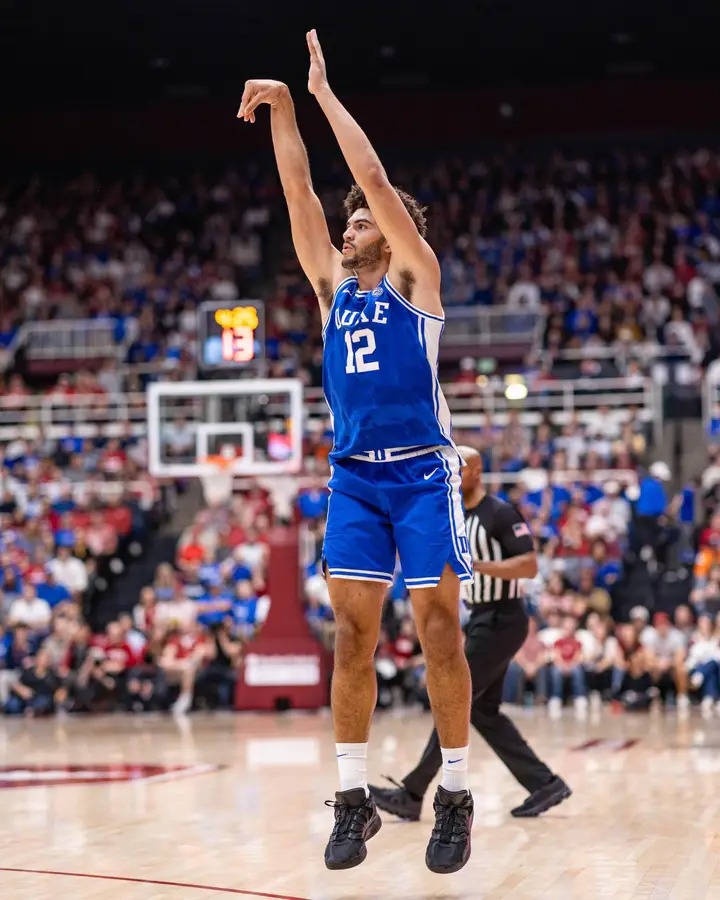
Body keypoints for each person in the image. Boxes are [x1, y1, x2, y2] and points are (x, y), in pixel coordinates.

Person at [238, 30, 474, 874]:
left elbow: (369, 175)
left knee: (438, 629)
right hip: (355, 482)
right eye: (350, 222)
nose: (351, 224)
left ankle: (455, 795)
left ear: (398, 232)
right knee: (351, 635)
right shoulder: (331, 288)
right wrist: (282, 110)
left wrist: (322, 92)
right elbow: (300, 190)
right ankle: (351, 799)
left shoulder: (415, 280)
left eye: (365, 220)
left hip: (422, 475)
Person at [369, 448, 571, 821]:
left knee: (453, 699)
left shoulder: (500, 513)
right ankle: (544, 784)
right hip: (480, 617)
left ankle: (412, 792)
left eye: (457, 469)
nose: (450, 474)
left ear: (475, 472)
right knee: (481, 710)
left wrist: (479, 566)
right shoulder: (456, 514)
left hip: (503, 617)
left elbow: (529, 565)